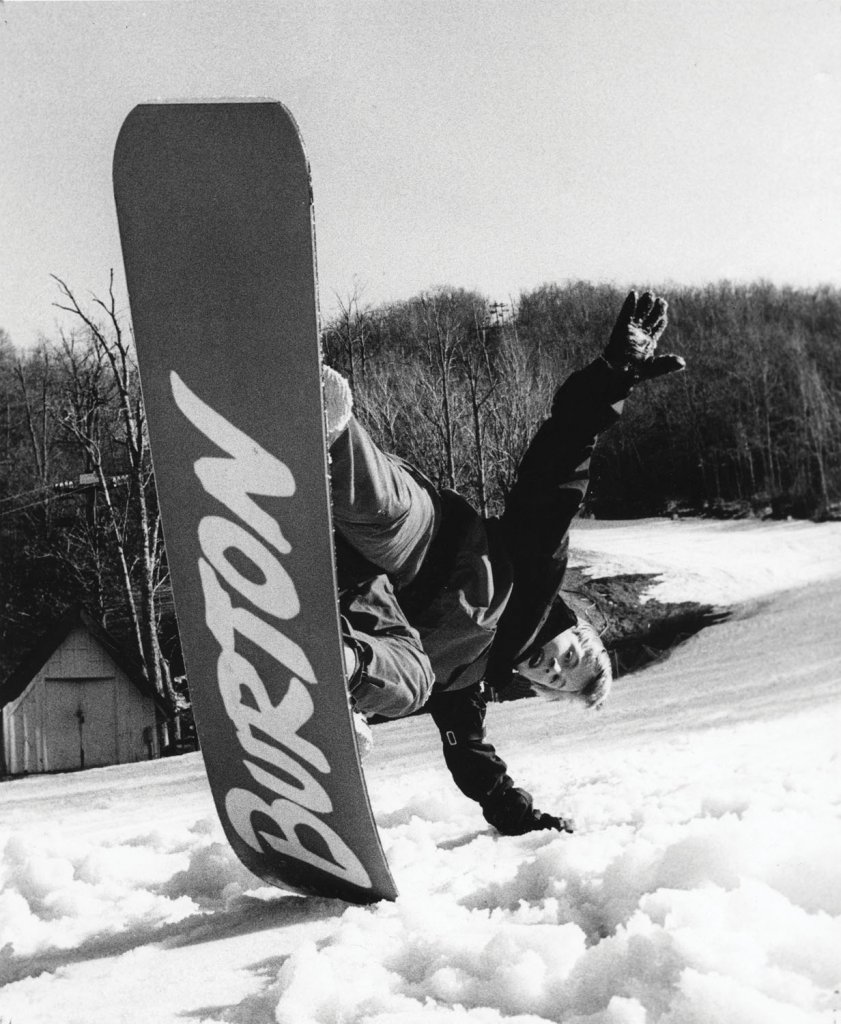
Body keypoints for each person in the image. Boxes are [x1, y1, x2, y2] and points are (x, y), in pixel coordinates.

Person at [324, 291, 684, 836]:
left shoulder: (470, 684)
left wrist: (524, 818)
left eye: (559, 682)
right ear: (573, 635)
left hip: (363, 610)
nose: (555, 671)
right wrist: (611, 379)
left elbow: (475, 763)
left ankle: (336, 674)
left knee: (416, 683)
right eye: (569, 660)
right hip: (424, 545)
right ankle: (325, 430)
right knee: (388, 514)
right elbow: (558, 467)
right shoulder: (536, 570)